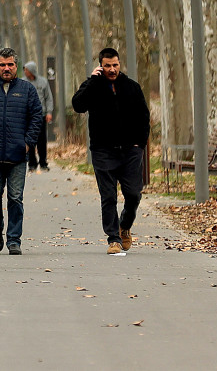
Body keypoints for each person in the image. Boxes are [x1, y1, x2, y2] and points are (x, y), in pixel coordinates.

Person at [71, 47, 150, 255]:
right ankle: (113, 239)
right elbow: (78, 105)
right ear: (100, 66)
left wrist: (139, 144)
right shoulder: (93, 86)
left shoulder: (132, 87)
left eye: (115, 65)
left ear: (119, 64)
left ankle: (125, 225)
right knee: (108, 196)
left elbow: (144, 117)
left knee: (133, 194)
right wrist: (92, 81)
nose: (112, 69)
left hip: (130, 150)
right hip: (103, 150)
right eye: (107, 66)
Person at [0, 47, 42, 256]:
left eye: (10, 64)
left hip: (18, 156)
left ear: (16, 66)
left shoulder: (27, 90)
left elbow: (36, 116)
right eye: (2, 64)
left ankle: (14, 240)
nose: (6, 68)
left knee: (15, 198)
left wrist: (28, 143)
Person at [22, 62, 54, 172]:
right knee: (29, 140)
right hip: (27, 116)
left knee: (41, 140)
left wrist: (49, 112)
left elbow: (48, 98)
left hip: (40, 115)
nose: (25, 72)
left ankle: (43, 163)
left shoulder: (43, 82)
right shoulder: (22, 83)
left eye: (26, 70)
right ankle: (32, 164)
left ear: (31, 71)